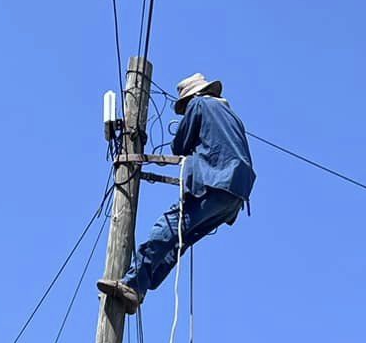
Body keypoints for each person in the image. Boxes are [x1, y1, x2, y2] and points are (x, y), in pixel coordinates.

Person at [97, 73, 256, 315]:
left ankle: (132, 284)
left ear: (192, 96)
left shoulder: (200, 104)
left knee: (168, 227)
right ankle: (139, 288)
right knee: (179, 241)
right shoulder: (231, 115)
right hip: (236, 195)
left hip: (215, 181)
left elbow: (180, 145)